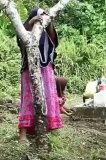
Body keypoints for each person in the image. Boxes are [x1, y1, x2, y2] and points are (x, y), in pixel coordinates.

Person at [17, 8, 62, 142]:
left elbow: (53, 39)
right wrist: (31, 23)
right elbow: (21, 41)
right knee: (28, 101)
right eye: (39, 16)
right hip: (29, 69)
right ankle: (23, 134)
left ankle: (45, 129)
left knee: (47, 98)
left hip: (45, 70)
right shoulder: (25, 32)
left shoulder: (47, 33)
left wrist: (47, 21)